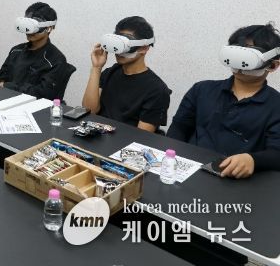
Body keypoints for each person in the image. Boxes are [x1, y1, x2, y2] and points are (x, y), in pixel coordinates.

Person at [167, 24, 280, 178]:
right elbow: (179, 129)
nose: (239, 62)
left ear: (273, 65)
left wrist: (253, 160)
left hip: (237, 181)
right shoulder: (201, 90)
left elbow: (276, 153)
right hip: (188, 173)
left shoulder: (276, 106)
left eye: (248, 55)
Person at [82, 16, 170, 132]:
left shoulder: (157, 90)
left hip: (125, 140)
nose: (120, 52)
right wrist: (96, 67)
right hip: (96, 135)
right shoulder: (111, 72)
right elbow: (89, 111)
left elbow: (141, 137)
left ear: (144, 48)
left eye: (126, 46)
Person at [0, 2, 75, 100]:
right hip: (6, 100)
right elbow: (1, 80)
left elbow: (44, 94)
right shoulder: (16, 51)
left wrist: (9, 87)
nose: (29, 31)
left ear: (49, 28)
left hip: (35, 106)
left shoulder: (56, 60)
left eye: (35, 26)